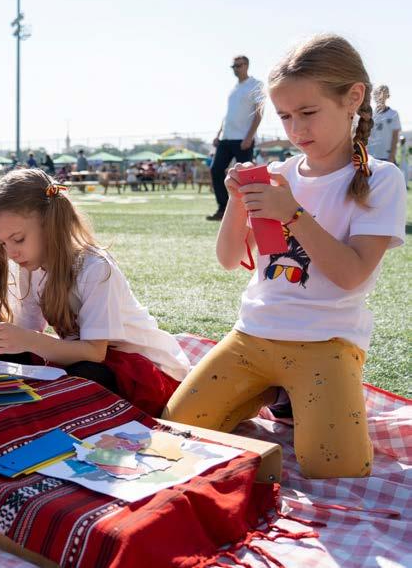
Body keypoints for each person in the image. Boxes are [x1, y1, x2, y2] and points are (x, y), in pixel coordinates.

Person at [164, 35, 406, 479]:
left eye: (308, 113)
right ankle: (282, 395)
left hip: (327, 341)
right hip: (253, 334)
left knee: (336, 467)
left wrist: (293, 213)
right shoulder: (277, 175)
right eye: (285, 116)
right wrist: (238, 201)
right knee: (177, 428)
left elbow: (351, 274)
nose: (296, 130)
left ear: (353, 98)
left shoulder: (381, 178)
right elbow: (229, 258)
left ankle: (289, 397)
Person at [0, 168, 191, 417]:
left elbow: (95, 353)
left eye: (18, 239)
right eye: (2, 243)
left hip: (144, 371)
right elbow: (27, 333)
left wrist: (27, 340)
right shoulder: (30, 267)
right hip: (89, 357)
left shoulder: (95, 267)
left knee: (84, 375)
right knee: (16, 359)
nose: (11, 252)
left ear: (50, 225)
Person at [209, 56, 263, 220]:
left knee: (245, 176)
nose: (235, 69)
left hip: (243, 140)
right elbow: (228, 115)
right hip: (226, 138)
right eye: (233, 66)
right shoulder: (233, 89)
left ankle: (251, 211)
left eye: (238, 65)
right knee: (216, 170)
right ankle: (223, 209)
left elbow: (259, 113)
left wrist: (249, 137)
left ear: (247, 65)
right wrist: (218, 134)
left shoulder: (256, 85)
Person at [368, 85, 402, 164]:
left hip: (387, 157)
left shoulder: (393, 114)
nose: (381, 96)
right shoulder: (370, 115)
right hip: (372, 158)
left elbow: (395, 137)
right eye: (378, 93)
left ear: (387, 96)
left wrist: (392, 156)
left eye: (384, 93)